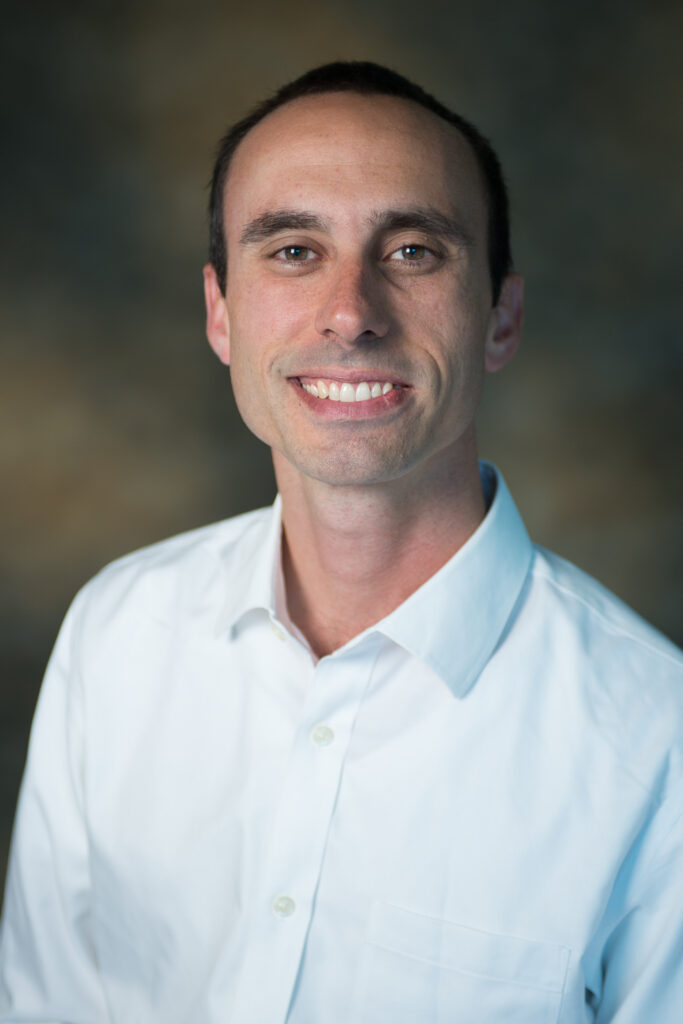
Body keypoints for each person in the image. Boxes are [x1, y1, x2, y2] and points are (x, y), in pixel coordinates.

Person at [0, 61, 681, 1024]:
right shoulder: (116, 633)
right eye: (290, 251)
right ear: (220, 313)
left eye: (411, 251)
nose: (351, 312)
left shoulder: (658, 746)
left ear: (501, 317)